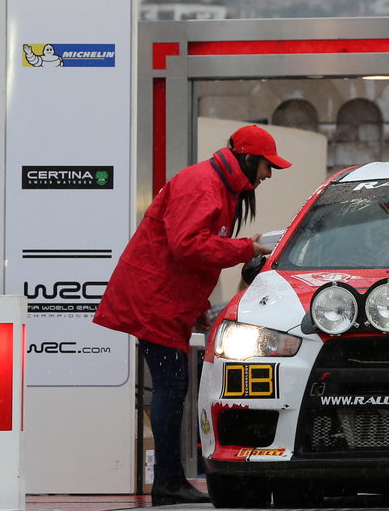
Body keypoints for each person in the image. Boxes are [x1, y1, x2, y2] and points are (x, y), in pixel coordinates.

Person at [94, 124, 286, 506]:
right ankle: (167, 482)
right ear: (249, 158)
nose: (268, 174)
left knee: (173, 385)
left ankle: (169, 480)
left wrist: (197, 307)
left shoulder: (215, 184)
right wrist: (247, 248)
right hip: (156, 301)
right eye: (268, 165)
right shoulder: (204, 185)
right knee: (171, 385)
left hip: (164, 299)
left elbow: (187, 252)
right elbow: (188, 246)